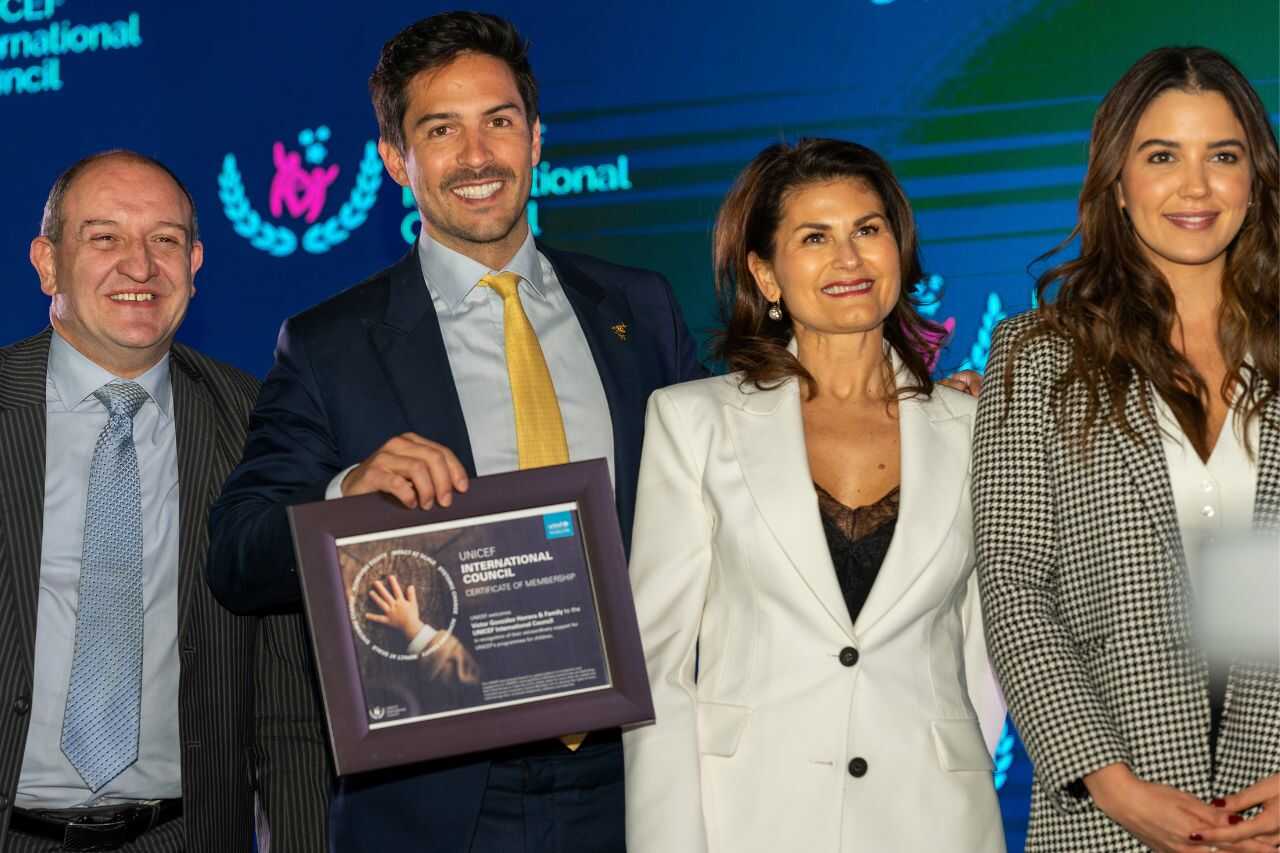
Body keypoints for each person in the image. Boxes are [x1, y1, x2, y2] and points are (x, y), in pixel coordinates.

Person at [205, 11, 704, 853]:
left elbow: (726, 487)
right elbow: (237, 553)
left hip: (636, 774)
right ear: (395, 159)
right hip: (440, 795)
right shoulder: (329, 343)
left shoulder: (640, 309)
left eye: (498, 121)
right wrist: (345, 495)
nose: (477, 156)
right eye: (441, 129)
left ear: (536, 139)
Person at [622, 138, 1007, 853]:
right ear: (766, 274)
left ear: (900, 251)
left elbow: (995, 644)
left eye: (868, 229)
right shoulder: (693, 421)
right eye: (814, 238)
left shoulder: (978, 428)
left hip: (933, 818)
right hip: (749, 819)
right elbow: (657, 666)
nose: (849, 259)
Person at [973, 46, 1279, 852]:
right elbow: (1014, 587)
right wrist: (1110, 782)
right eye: (1162, 157)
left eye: (1223, 156)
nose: (1195, 187)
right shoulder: (1038, 355)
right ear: (1117, 181)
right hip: (1108, 815)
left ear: (1255, 178)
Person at [0, 150, 259, 852]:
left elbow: (285, 685)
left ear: (195, 264)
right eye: (104, 237)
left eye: (165, 240)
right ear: (47, 263)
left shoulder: (253, 419)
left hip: (181, 835)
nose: (139, 266)